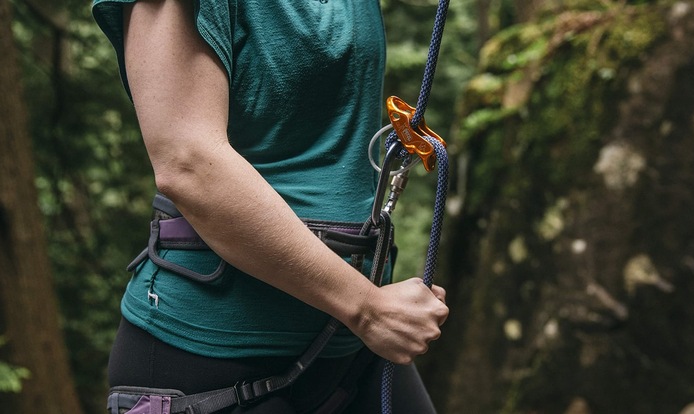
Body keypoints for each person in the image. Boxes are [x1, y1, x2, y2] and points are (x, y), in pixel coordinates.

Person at [92, 0, 449, 413]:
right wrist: (367, 309)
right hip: (212, 357)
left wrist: (367, 313)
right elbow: (187, 164)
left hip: (348, 348)